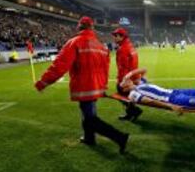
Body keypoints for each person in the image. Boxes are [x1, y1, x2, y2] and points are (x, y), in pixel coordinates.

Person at [35, 17, 129, 154]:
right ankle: (89, 138)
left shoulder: (74, 43)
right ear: (92, 28)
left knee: (90, 118)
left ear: (79, 27)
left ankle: (120, 137)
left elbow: (59, 66)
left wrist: (42, 83)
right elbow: (105, 69)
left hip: (84, 86)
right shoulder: (100, 45)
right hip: (96, 85)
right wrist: (103, 86)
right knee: (88, 114)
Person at [112, 28, 143, 122]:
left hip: (126, 78)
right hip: (133, 76)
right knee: (129, 96)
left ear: (122, 37)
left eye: (116, 36)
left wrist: (122, 80)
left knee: (122, 95)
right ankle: (130, 113)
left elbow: (123, 67)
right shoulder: (130, 46)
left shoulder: (123, 49)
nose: (114, 38)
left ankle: (135, 111)